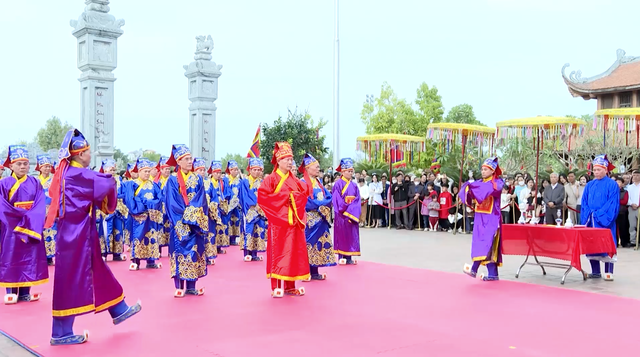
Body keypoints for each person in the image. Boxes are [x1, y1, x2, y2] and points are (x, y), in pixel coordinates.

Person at [46, 129, 141, 345]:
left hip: (77, 233)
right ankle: (60, 333)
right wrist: (112, 179)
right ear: (80, 155)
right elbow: (105, 182)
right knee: (69, 280)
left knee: (96, 270)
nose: (91, 156)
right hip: (76, 236)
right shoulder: (76, 173)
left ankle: (119, 309)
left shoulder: (68, 172)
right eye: (88, 152)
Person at [257, 142, 309, 297]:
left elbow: (304, 195)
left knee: (293, 253)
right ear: (278, 161)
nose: (290, 162)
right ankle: (277, 286)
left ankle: (290, 285)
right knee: (279, 253)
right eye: (287, 159)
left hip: (293, 223)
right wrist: (287, 198)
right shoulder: (271, 179)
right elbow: (263, 198)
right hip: (278, 223)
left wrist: (296, 197)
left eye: (291, 159)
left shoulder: (294, 179)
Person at [0, 145, 48, 304]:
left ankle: (25, 292)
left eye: (25, 164)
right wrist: (19, 216)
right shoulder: (4, 183)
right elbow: (2, 206)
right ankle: (11, 291)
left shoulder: (35, 182)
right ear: (11, 165)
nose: (22, 167)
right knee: (11, 257)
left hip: (30, 225)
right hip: (11, 227)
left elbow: (40, 204)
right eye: (18, 164)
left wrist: (29, 218)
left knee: (30, 257)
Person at [164, 145, 208, 297]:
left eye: (191, 159)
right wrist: (183, 219)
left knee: (194, 253)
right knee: (179, 252)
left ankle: (191, 286)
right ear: (179, 161)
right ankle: (179, 286)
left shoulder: (198, 179)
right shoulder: (171, 180)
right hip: (180, 224)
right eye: (187, 159)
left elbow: (201, 200)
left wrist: (193, 216)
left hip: (194, 223)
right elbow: (171, 202)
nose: (190, 162)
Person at [461, 157, 504, 281]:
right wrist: (469, 190)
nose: (483, 172)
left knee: (487, 243)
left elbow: (493, 190)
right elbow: (472, 192)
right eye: (482, 169)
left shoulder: (497, 183)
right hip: (480, 218)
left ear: (492, 171)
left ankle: (474, 269)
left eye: (486, 169)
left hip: (492, 218)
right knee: (482, 243)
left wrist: (477, 188)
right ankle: (493, 274)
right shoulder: (479, 182)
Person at [581, 155, 619, 280]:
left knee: (607, 245)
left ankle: (608, 272)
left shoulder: (612, 184)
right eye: (595, 170)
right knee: (592, 246)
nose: (596, 172)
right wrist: (589, 214)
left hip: (604, 220)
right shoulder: (589, 185)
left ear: (605, 170)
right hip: (591, 219)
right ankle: (595, 271)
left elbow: (612, 203)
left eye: (599, 170)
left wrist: (599, 214)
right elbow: (584, 202)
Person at [299, 153, 336, 281]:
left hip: (321, 219)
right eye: (316, 166)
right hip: (310, 219)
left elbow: (328, 197)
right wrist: (321, 205)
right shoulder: (302, 183)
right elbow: (305, 201)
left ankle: (315, 272)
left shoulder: (319, 182)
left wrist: (322, 204)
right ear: (307, 168)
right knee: (308, 244)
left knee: (318, 245)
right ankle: (305, 272)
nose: (318, 169)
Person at [122, 157, 163, 270]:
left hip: (151, 216)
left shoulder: (154, 185)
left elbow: (159, 199)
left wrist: (150, 204)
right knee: (138, 236)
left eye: (148, 171)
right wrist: (141, 206)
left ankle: (151, 261)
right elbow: (129, 200)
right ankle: (136, 261)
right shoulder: (132, 184)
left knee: (152, 237)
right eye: (145, 171)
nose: (147, 173)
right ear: (139, 171)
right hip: (138, 217)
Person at [96, 159, 127, 262]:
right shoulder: (100, 180)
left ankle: (117, 253)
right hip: (105, 210)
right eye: (110, 170)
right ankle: (104, 252)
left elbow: (123, 194)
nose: (112, 172)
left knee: (118, 230)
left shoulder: (119, 180)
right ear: (104, 170)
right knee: (105, 231)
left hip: (117, 209)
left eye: (113, 170)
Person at [332, 158, 361, 265]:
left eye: (351, 171)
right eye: (348, 171)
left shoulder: (354, 185)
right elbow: (336, 200)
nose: (350, 173)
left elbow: (357, 199)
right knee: (342, 235)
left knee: (351, 234)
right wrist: (345, 209)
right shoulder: (338, 184)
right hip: (341, 214)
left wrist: (352, 210)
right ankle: (341, 256)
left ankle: (349, 256)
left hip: (351, 214)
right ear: (342, 171)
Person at [239, 158, 268, 262]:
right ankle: (247, 252)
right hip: (249, 210)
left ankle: (255, 253)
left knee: (258, 230)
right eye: (254, 169)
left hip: (260, 211)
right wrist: (254, 204)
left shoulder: (262, 182)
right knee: (249, 230)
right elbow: (244, 196)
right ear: (250, 170)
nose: (256, 172)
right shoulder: (244, 182)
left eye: (258, 170)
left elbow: (265, 196)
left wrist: (261, 206)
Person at [193, 157, 217, 265]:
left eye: (203, 170)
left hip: (208, 214)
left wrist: (212, 206)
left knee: (208, 235)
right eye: (199, 170)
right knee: (198, 236)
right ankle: (197, 257)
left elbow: (214, 197)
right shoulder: (192, 184)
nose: (202, 172)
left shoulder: (209, 183)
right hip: (197, 215)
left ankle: (207, 257)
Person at [36, 154, 57, 266]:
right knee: (39, 234)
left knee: (51, 233)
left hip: (51, 211)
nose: (48, 169)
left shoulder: (53, 180)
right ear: (40, 167)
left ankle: (49, 257)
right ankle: (40, 257)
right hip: (39, 212)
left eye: (49, 166)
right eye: (45, 166)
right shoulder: (35, 181)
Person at [209, 160, 230, 255]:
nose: (218, 175)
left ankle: (219, 247)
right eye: (216, 173)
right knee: (212, 229)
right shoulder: (209, 182)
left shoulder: (221, 182)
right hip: (212, 208)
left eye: (219, 173)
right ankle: (212, 249)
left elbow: (225, 193)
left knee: (220, 228)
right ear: (212, 172)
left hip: (221, 207)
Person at [154, 156, 172, 255]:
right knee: (159, 229)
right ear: (161, 169)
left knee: (170, 229)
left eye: (169, 169)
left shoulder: (173, 180)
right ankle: (159, 251)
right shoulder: (156, 182)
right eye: (166, 169)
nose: (168, 171)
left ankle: (171, 250)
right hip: (160, 209)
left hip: (170, 208)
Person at [225, 160, 244, 246]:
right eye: (234, 170)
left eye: (237, 170)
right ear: (230, 170)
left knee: (236, 220)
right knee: (228, 221)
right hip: (228, 204)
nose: (236, 171)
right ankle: (226, 239)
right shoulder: (225, 180)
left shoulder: (239, 181)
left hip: (237, 204)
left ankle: (233, 238)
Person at [615, 177, 630, 247]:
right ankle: (615, 242)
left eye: (619, 182)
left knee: (622, 227)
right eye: (616, 182)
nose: (618, 183)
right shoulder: (612, 191)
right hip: (613, 212)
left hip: (622, 211)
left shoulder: (625, 192)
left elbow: (624, 201)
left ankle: (624, 242)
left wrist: (616, 201)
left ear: (622, 184)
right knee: (614, 228)